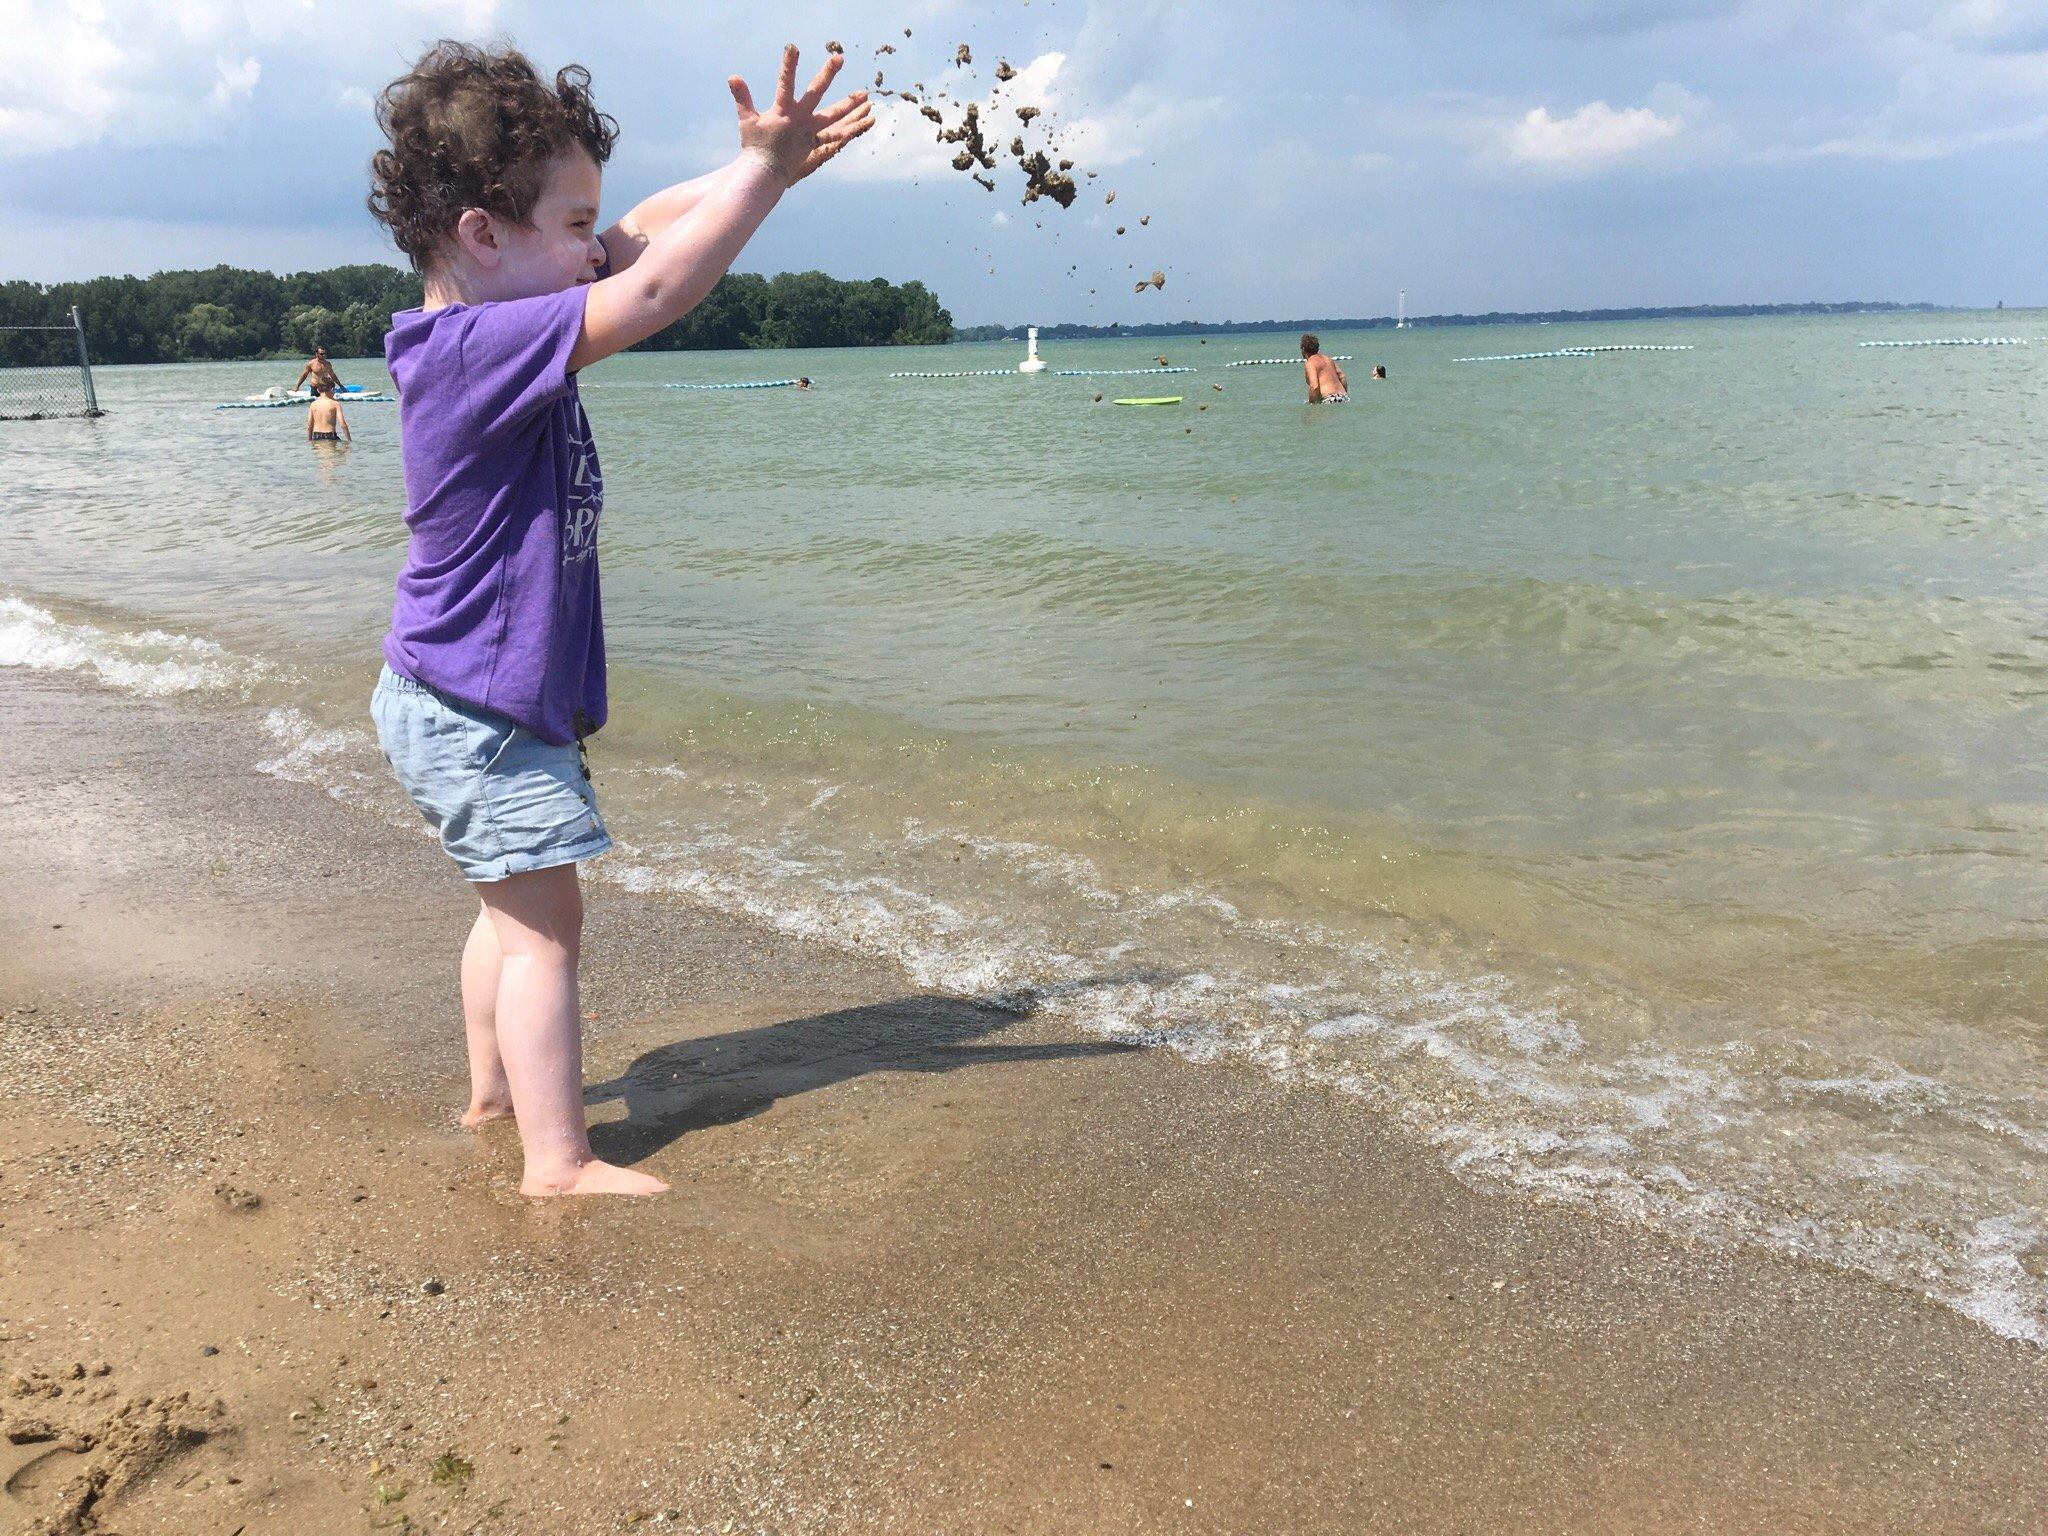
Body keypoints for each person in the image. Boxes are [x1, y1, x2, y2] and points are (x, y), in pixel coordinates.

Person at [365, 40, 872, 1197]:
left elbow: (640, 229)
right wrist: (757, 183)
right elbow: (653, 286)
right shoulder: (482, 346)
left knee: (505, 909)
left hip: (461, 694)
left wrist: (761, 171)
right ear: (483, 232)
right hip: (480, 706)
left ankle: (493, 1095)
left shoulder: (494, 314)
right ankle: (557, 1160)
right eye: (570, 220)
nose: (594, 246)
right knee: (545, 927)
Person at [1301, 333, 1348, 403]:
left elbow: (1314, 387)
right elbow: (1342, 377)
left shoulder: (1310, 362)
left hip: (1329, 399)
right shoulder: (1328, 359)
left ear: (1303, 349)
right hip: (1343, 397)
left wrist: (1311, 406)